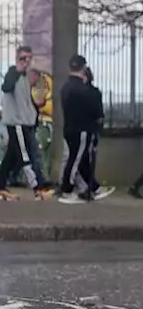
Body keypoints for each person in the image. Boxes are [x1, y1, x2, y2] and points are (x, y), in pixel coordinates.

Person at [0, 45, 54, 200]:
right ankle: (37, 189)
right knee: (25, 155)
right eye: (23, 58)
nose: (26, 61)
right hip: (16, 123)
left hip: (25, 122)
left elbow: (26, 101)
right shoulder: (13, 73)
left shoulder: (25, 78)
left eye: (29, 58)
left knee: (11, 157)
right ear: (17, 59)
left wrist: (34, 111)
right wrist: (18, 68)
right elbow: (6, 87)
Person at [58, 55, 111, 203]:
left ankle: (91, 187)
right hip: (82, 129)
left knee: (76, 159)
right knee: (75, 161)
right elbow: (95, 112)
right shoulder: (84, 90)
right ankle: (67, 190)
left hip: (69, 128)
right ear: (83, 68)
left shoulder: (66, 87)